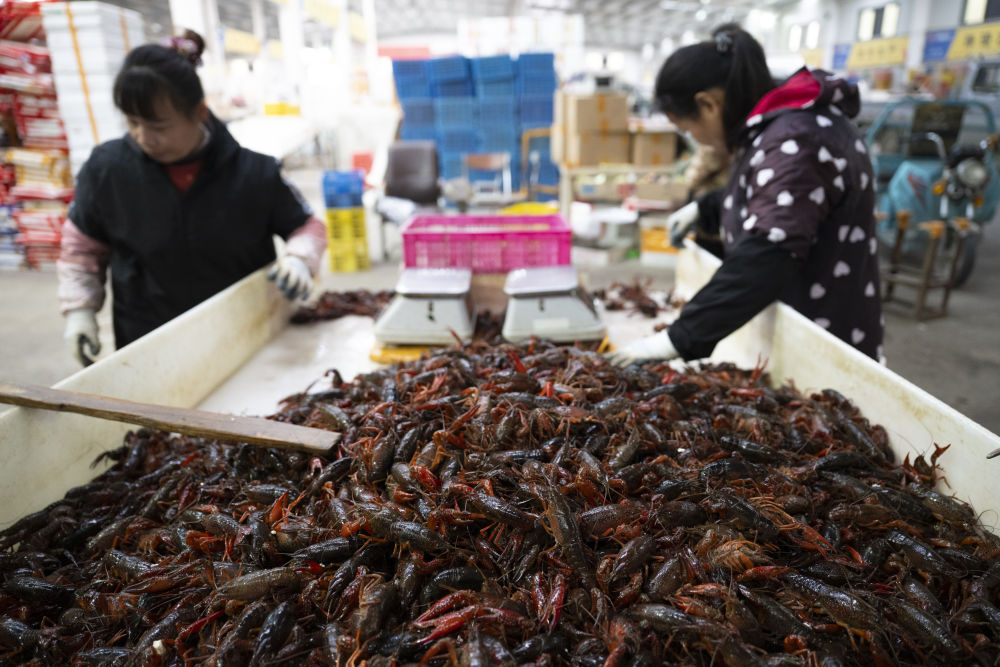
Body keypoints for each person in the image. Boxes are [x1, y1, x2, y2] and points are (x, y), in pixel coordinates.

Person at [611, 24, 883, 364]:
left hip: (823, 336)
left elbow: (770, 249)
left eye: (687, 129)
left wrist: (680, 337)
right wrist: (707, 208)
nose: (696, 139)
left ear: (708, 104)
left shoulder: (798, 137)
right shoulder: (780, 127)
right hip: (792, 325)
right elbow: (777, 194)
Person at [58, 31, 326, 365]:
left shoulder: (254, 173)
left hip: (244, 337)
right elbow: (82, 249)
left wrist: (299, 258)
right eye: (133, 123)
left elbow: (307, 227)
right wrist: (80, 311)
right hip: (148, 343)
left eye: (159, 127)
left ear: (200, 112)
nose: (144, 137)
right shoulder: (107, 170)